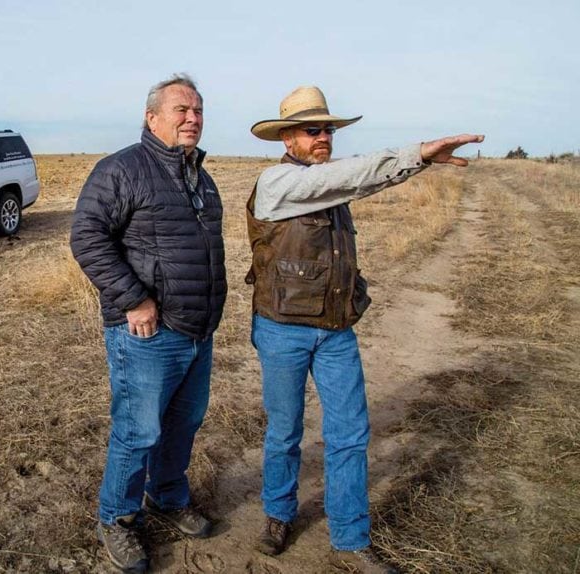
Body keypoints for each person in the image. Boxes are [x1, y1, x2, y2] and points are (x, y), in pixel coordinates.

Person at [245, 86, 482, 574]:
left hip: (335, 329)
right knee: (284, 431)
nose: (324, 137)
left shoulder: (331, 188)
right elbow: (352, 177)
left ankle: (351, 539)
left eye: (329, 129)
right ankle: (277, 515)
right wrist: (417, 152)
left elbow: (355, 183)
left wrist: (418, 164)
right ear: (286, 138)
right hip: (283, 329)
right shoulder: (275, 183)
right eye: (314, 129)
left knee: (351, 433)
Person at [70, 74, 227, 573]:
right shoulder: (123, 169)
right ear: (151, 116)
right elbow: (87, 237)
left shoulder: (201, 178)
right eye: (182, 109)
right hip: (147, 333)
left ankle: (166, 495)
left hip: (197, 331)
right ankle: (116, 518)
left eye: (198, 110)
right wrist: (134, 300)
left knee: (183, 424)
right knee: (138, 431)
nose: (193, 119)